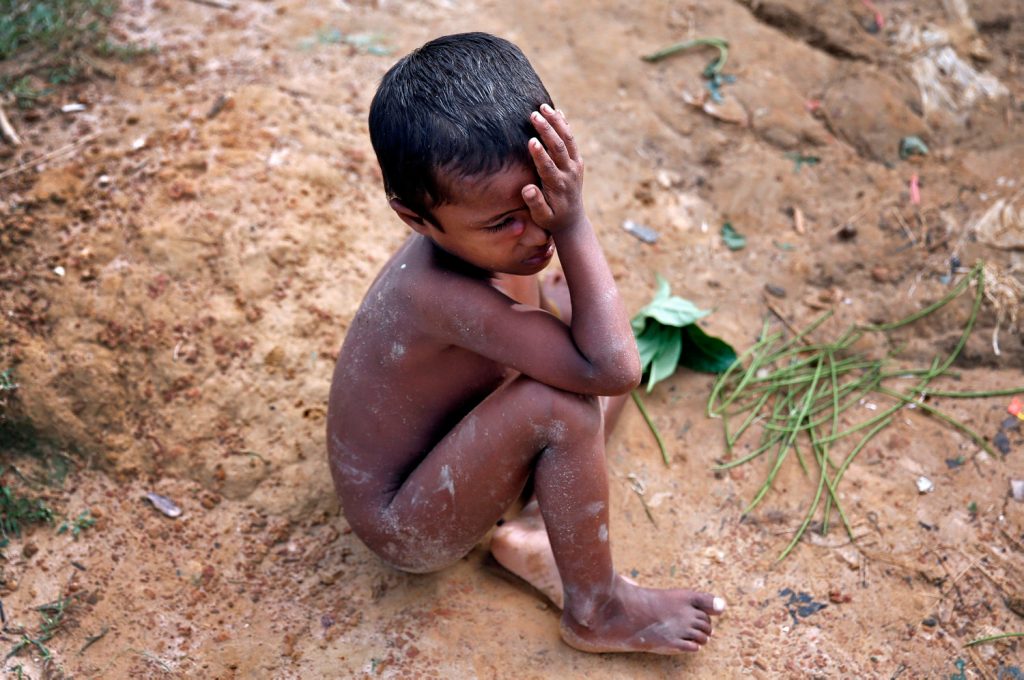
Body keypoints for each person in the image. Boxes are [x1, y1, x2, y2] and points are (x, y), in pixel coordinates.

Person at [327, 32, 725, 655]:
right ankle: (597, 609)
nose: (534, 230)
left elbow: (600, 350)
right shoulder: (439, 293)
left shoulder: (487, 228)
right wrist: (574, 221)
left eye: (543, 199)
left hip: (459, 448)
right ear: (415, 217)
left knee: (577, 314)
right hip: (408, 520)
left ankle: (539, 530)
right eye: (503, 222)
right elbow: (616, 367)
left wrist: (553, 225)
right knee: (566, 398)